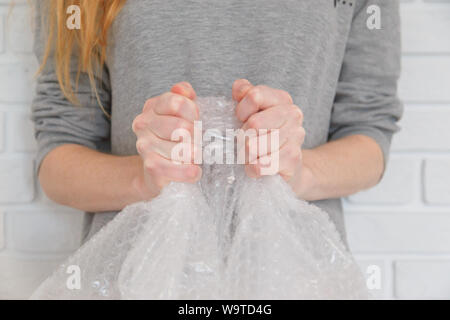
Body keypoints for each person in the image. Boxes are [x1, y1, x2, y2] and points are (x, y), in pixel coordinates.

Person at [32, 0, 402, 242]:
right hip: (137, 280)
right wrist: (141, 179)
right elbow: (58, 156)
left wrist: (302, 172)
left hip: (296, 276)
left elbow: (369, 132)